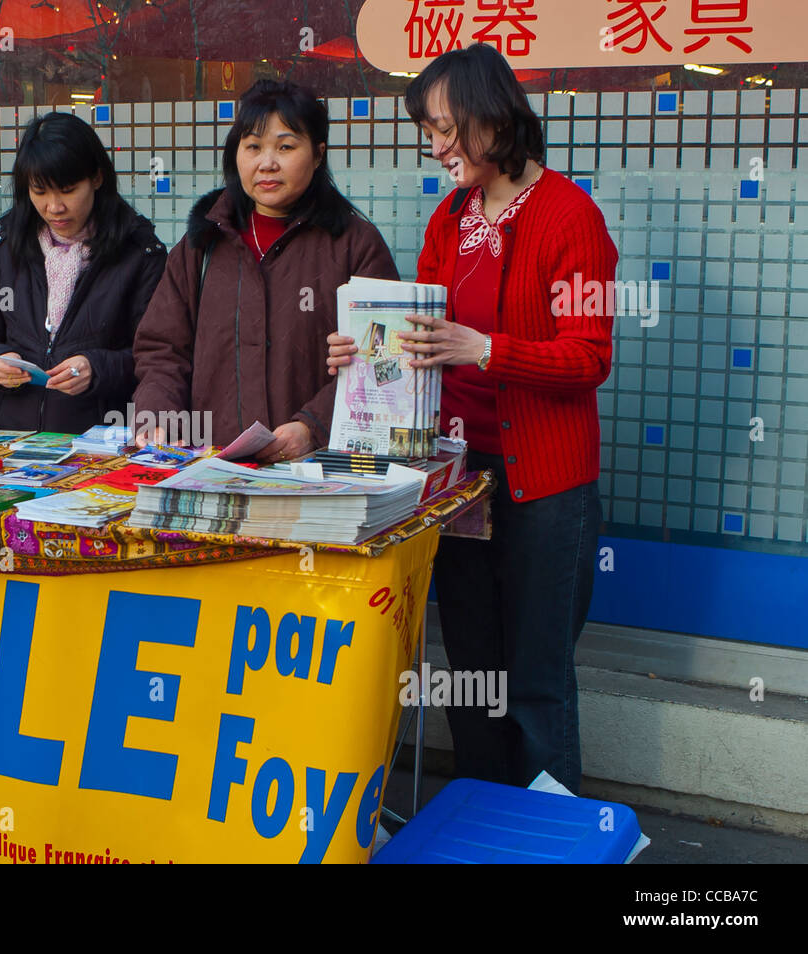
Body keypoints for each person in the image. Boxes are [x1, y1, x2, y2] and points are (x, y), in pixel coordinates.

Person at [327, 43, 617, 793]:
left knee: (537, 681)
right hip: (461, 482)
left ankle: (550, 832)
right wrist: (364, 352)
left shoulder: (571, 218)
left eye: (446, 129)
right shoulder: (449, 219)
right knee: (475, 672)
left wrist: (486, 349)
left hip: (547, 488)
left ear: (494, 117)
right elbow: (421, 333)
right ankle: (484, 821)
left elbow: (588, 359)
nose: (436, 146)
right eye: (428, 130)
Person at [131, 79, 397, 460]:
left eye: (286, 147)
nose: (266, 163)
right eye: (253, 146)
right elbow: (162, 349)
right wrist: (159, 412)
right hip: (214, 466)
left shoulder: (355, 245)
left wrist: (314, 426)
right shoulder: (202, 245)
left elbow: (383, 361)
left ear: (318, 154)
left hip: (317, 469)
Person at [0, 112, 166, 433]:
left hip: (102, 440)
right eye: (39, 191)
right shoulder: (5, 247)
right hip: (14, 438)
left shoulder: (138, 252)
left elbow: (158, 356)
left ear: (96, 178)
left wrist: (96, 368)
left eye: (67, 190)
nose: (54, 206)